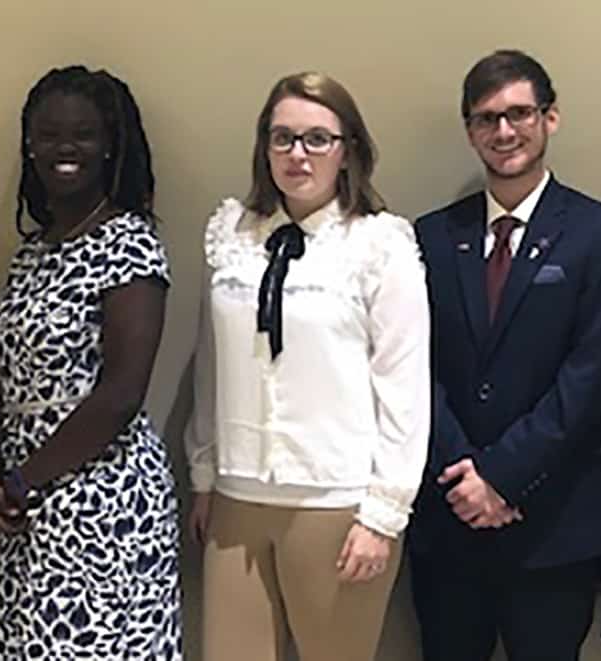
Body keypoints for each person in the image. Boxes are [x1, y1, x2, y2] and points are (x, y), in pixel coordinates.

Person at [185, 71, 430, 661]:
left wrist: (383, 513)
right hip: (239, 496)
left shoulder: (379, 245)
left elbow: (404, 385)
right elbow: (212, 368)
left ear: (347, 152)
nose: (298, 154)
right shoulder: (234, 234)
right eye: (283, 137)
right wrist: (205, 474)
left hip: (336, 504)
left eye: (318, 139)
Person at [409, 49, 601, 660]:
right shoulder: (429, 236)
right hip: (449, 521)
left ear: (550, 118)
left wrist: (503, 478)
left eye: (519, 113)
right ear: (469, 131)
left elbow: (590, 377)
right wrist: (465, 475)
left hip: (553, 526)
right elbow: (409, 368)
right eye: (487, 118)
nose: (504, 131)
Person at [0, 65, 181, 660]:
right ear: (30, 146)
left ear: (111, 144)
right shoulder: (31, 253)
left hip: (104, 503)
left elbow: (121, 393)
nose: (65, 148)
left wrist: (23, 478)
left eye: (84, 134)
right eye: (48, 134)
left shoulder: (130, 243)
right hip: (27, 507)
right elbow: (11, 377)